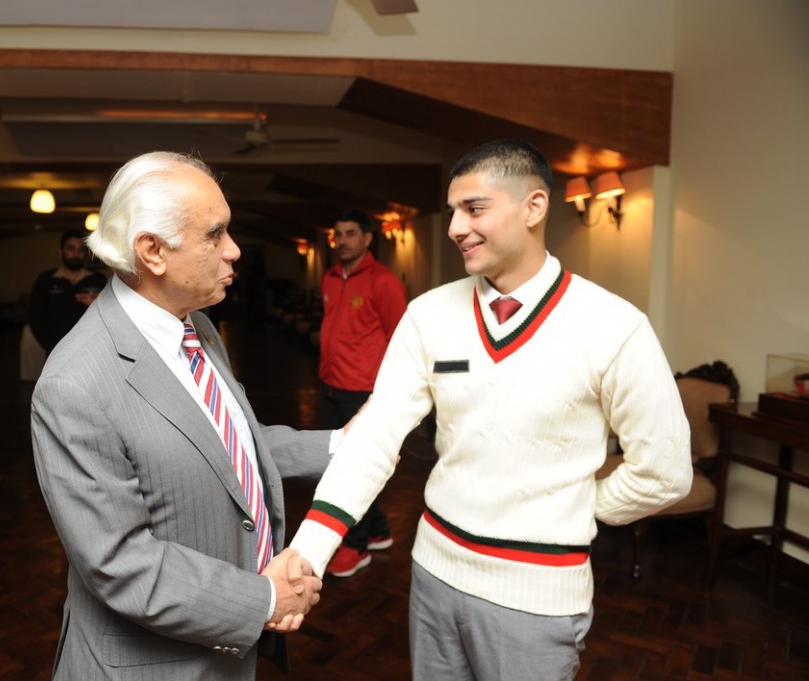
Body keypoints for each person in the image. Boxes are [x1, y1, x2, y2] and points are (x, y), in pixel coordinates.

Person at [289, 139, 692, 680]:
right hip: (433, 574)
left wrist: (577, 508)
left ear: (534, 207)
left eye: (474, 208)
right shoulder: (428, 315)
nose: (456, 227)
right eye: (453, 211)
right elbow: (374, 436)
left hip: (537, 595)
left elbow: (665, 472)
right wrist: (307, 554)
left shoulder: (613, 326)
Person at [31, 151, 335, 680]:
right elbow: (120, 563)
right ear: (152, 251)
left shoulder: (196, 325)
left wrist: (342, 445)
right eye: (215, 234)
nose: (234, 250)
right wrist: (265, 598)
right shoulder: (74, 384)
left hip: (219, 652)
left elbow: (225, 442)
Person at [318, 209, 406, 577]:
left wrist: (388, 393)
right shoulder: (329, 276)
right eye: (338, 234)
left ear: (368, 238)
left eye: (351, 233)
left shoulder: (383, 281)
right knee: (338, 463)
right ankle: (378, 530)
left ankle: (356, 546)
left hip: (362, 391)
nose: (342, 241)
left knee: (354, 470)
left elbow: (400, 340)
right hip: (330, 383)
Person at [27, 229, 107, 355]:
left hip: (91, 351)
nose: (76, 254)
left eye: (80, 250)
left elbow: (109, 315)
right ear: (61, 252)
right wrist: (53, 347)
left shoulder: (98, 280)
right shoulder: (45, 280)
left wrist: (99, 304)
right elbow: (35, 319)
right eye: (71, 249)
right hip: (55, 351)